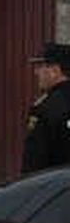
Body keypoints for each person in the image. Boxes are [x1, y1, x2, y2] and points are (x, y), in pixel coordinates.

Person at [23, 42, 70, 173]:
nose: (36, 72)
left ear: (55, 71)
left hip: (56, 188)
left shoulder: (46, 107)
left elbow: (34, 160)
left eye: (40, 67)